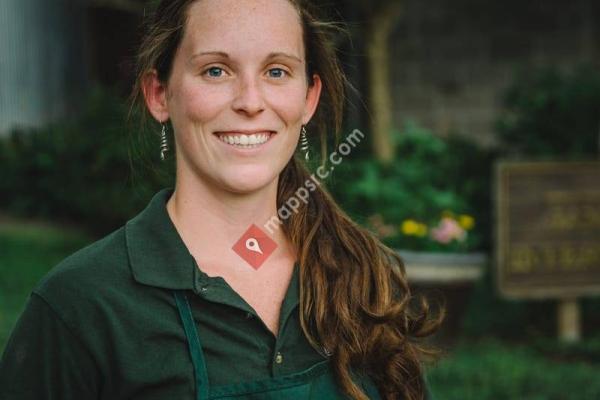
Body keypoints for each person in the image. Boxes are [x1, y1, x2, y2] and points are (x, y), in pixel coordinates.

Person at [0, 0, 443, 399]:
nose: (251, 101)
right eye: (216, 70)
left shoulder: (362, 275)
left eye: (276, 71)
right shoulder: (80, 306)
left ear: (308, 98)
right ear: (160, 94)